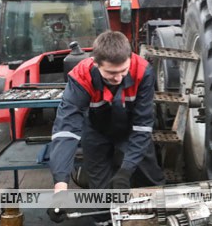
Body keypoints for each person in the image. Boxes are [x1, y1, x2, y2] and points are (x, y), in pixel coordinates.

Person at [47, 31, 164, 223]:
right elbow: (66, 131)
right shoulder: (81, 77)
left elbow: (143, 125)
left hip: (131, 130)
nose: (118, 78)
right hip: (95, 131)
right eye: (110, 73)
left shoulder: (143, 71)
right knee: (100, 193)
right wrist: (60, 188)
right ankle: (104, 220)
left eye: (123, 71)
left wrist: (126, 170)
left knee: (150, 180)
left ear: (129, 59)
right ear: (95, 63)